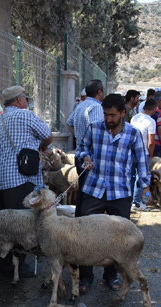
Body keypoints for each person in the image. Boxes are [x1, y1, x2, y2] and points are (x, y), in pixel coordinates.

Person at [76, 94, 151, 293]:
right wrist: (85, 157)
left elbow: (142, 160)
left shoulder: (133, 134)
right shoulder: (94, 129)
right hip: (93, 189)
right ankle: (85, 277)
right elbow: (81, 147)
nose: (108, 119)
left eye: (112, 115)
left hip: (120, 192)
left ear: (123, 113)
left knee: (117, 238)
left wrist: (145, 186)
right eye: (105, 114)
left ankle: (111, 276)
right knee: (85, 234)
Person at [0, 85, 52, 276]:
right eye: (25, 97)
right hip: (21, 178)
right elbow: (48, 135)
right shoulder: (25, 115)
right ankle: (16, 268)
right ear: (19, 100)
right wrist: (40, 147)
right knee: (20, 226)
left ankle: (2, 265)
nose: (27, 101)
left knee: (3, 226)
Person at [67, 79, 105, 211]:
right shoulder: (97, 107)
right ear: (99, 92)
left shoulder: (81, 106)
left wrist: (78, 136)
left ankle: (79, 220)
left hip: (79, 155)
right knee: (91, 195)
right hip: (90, 156)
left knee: (82, 192)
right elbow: (96, 131)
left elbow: (69, 122)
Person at [130, 98, 158, 211]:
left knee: (132, 176)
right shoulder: (151, 121)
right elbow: (151, 142)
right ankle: (136, 202)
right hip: (143, 152)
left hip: (131, 151)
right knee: (141, 176)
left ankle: (131, 199)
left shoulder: (134, 118)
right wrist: (150, 155)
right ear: (154, 108)